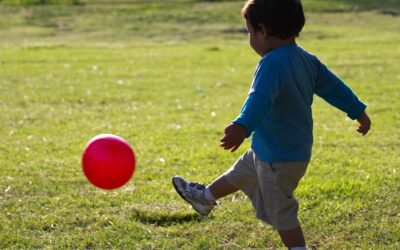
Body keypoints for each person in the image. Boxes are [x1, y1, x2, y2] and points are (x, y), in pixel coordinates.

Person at [172, 0, 371, 249]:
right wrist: (358, 111)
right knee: (241, 173)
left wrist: (242, 126)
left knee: (281, 211)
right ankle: (204, 198)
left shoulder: (271, 63)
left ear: (263, 31)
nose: (250, 38)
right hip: (282, 149)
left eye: (250, 32)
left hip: (277, 156)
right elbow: (335, 88)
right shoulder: (307, 59)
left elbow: (260, 98)